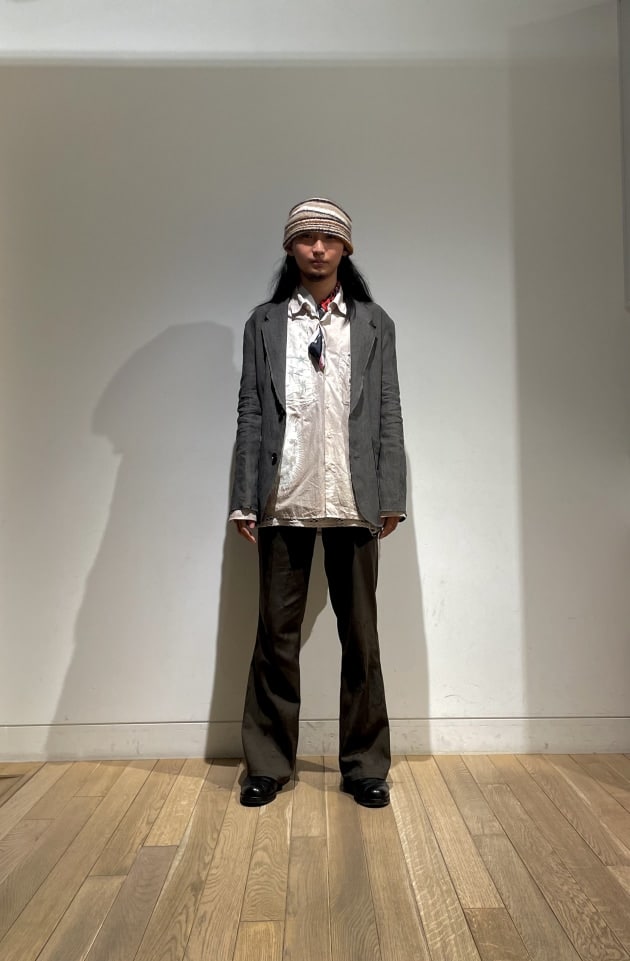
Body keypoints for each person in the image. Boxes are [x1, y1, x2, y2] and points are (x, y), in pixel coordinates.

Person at [229, 197, 406, 808]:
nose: (318, 248)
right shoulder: (265, 323)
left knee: (362, 638)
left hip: (355, 500)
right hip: (285, 499)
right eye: (307, 238)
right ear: (291, 247)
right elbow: (252, 411)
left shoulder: (374, 322)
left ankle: (365, 766)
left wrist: (391, 494)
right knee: (274, 637)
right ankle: (267, 764)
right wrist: (244, 498)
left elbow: (388, 410)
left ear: (345, 249)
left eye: (329, 239)